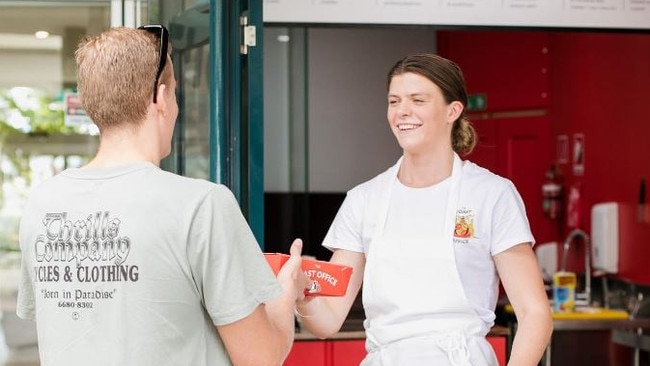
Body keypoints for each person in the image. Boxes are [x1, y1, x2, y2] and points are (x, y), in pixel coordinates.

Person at [16, 25, 310, 366]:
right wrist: (285, 293)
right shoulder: (202, 205)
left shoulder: (43, 203)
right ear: (159, 98)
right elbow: (261, 357)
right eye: (174, 94)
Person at [296, 54, 553, 365]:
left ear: (453, 110)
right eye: (394, 101)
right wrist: (304, 296)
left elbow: (534, 313)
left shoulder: (491, 195)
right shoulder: (364, 200)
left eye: (418, 100)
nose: (403, 111)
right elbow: (329, 319)